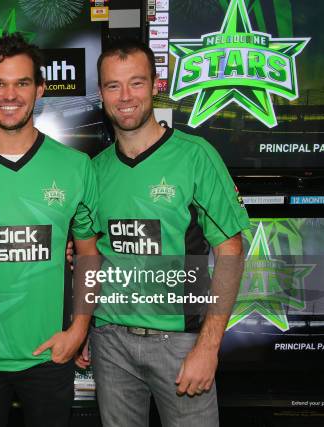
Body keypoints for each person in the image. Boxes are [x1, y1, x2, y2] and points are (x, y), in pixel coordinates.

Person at [76, 38, 249, 426]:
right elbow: (92, 254)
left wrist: (208, 347)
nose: (125, 97)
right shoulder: (93, 170)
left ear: (156, 84)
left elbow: (230, 251)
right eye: (112, 85)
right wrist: (85, 323)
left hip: (181, 343)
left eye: (136, 83)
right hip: (111, 343)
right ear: (101, 92)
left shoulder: (195, 156)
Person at [0, 33, 100, 427]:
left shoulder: (76, 167)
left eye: (22, 83)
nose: (10, 94)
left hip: (49, 355)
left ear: (40, 90)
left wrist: (78, 331)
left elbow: (90, 255)